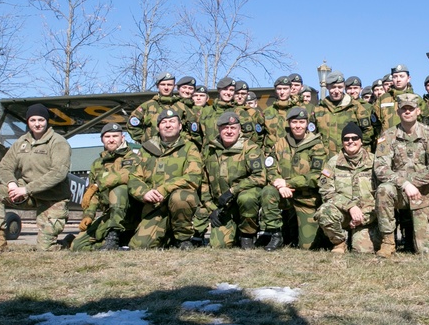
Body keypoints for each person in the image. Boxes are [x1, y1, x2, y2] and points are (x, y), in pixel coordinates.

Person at [0, 103, 71, 253]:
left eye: (41, 120)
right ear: (28, 121)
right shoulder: (21, 142)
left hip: (53, 197)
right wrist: (11, 184)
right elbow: (5, 167)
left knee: (45, 249)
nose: (37, 124)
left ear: (47, 121)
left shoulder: (58, 142)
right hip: (27, 194)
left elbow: (58, 172)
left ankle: (68, 242)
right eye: (33, 120)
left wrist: (26, 189)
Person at [373, 93, 429, 257]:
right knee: (383, 190)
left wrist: (413, 183)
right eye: (404, 108)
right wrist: (404, 183)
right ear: (398, 112)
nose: (407, 112)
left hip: (422, 192)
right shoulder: (388, 136)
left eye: (411, 109)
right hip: (398, 191)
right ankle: (388, 242)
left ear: (418, 111)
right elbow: (380, 168)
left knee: (426, 252)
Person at [127, 109, 203, 249]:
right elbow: (134, 177)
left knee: (181, 196)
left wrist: (165, 188)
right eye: (164, 122)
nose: (168, 125)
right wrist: (144, 192)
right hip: (154, 206)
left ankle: (182, 239)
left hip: (179, 204)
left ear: (180, 126)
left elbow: (193, 177)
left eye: (172, 121)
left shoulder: (189, 147)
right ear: (158, 127)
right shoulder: (147, 149)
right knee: (140, 246)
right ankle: (167, 237)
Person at [260, 107, 327, 250]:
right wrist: (280, 185)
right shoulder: (280, 144)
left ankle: (294, 228)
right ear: (289, 123)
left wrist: (288, 182)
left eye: (301, 122)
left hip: (306, 198)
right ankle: (275, 234)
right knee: (267, 192)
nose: (298, 126)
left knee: (307, 246)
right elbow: (270, 168)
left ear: (307, 124)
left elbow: (316, 175)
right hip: (284, 195)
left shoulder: (316, 144)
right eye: (294, 122)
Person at [202, 111, 267, 249]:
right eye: (225, 128)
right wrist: (211, 208)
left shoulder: (250, 147)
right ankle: (234, 231)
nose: (229, 131)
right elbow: (204, 181)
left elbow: (259, 177)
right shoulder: (210, 150)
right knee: (219, 245)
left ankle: (247, 234)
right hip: (223, 206)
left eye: (233, 128)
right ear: (219, 129)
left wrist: (232, 191)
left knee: (247, 198)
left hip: (242, 200)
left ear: (239, 130)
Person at [71, 122, 140, 252]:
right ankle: (110, 243)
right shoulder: (97, 164)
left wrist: (99, 184)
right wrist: (89, 214)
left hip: (131, 214)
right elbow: (94, 195)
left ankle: (114, 237)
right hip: (109, 215)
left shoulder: (132, 158)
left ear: (122, 138)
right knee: (77, 246)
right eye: (107, 136)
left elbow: (126, 175)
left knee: (119, 189)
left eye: (115, 136)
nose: (112, 139)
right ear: (102, 139)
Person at [315, 122, 378, 253]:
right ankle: (339, 243)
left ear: (361, 141)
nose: (350, 141)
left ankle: (356, 236)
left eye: (354, 138)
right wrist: (350, 207)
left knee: (362, 250)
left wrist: (364, 217)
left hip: (368, 214)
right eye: (346, 139)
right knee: (324, 211)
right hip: (343, 213)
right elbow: (326, 191)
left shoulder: (374, 162)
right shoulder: (333, 163)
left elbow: (381, 195)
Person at [312, 71, 374, 157]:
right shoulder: (319, 109)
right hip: (325, 159)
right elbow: (312, 135)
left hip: (349, 159)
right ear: (327, 87)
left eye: (340, 87)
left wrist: (356, 151)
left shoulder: (355, 107)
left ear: (344, 87)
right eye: (333, 87)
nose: (337, 91)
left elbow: (367, 132)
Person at [127, 72, 186, 143]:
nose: (166, 87)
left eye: (169, 84)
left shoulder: (182, 107)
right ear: (157, 86)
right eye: (163, 84)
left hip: (177, 150)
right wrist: (145, 140)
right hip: (153, 150)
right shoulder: (147, 106)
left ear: (174, 86)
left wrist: (182, 141)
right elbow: (132, 124)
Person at [263, 76, 298, 146]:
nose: (282, 92)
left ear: (291, 89)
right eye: (279, 89)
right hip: (271, 153)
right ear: (275, 91)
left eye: (285, 89)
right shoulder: (267, 112)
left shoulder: (297, 110)